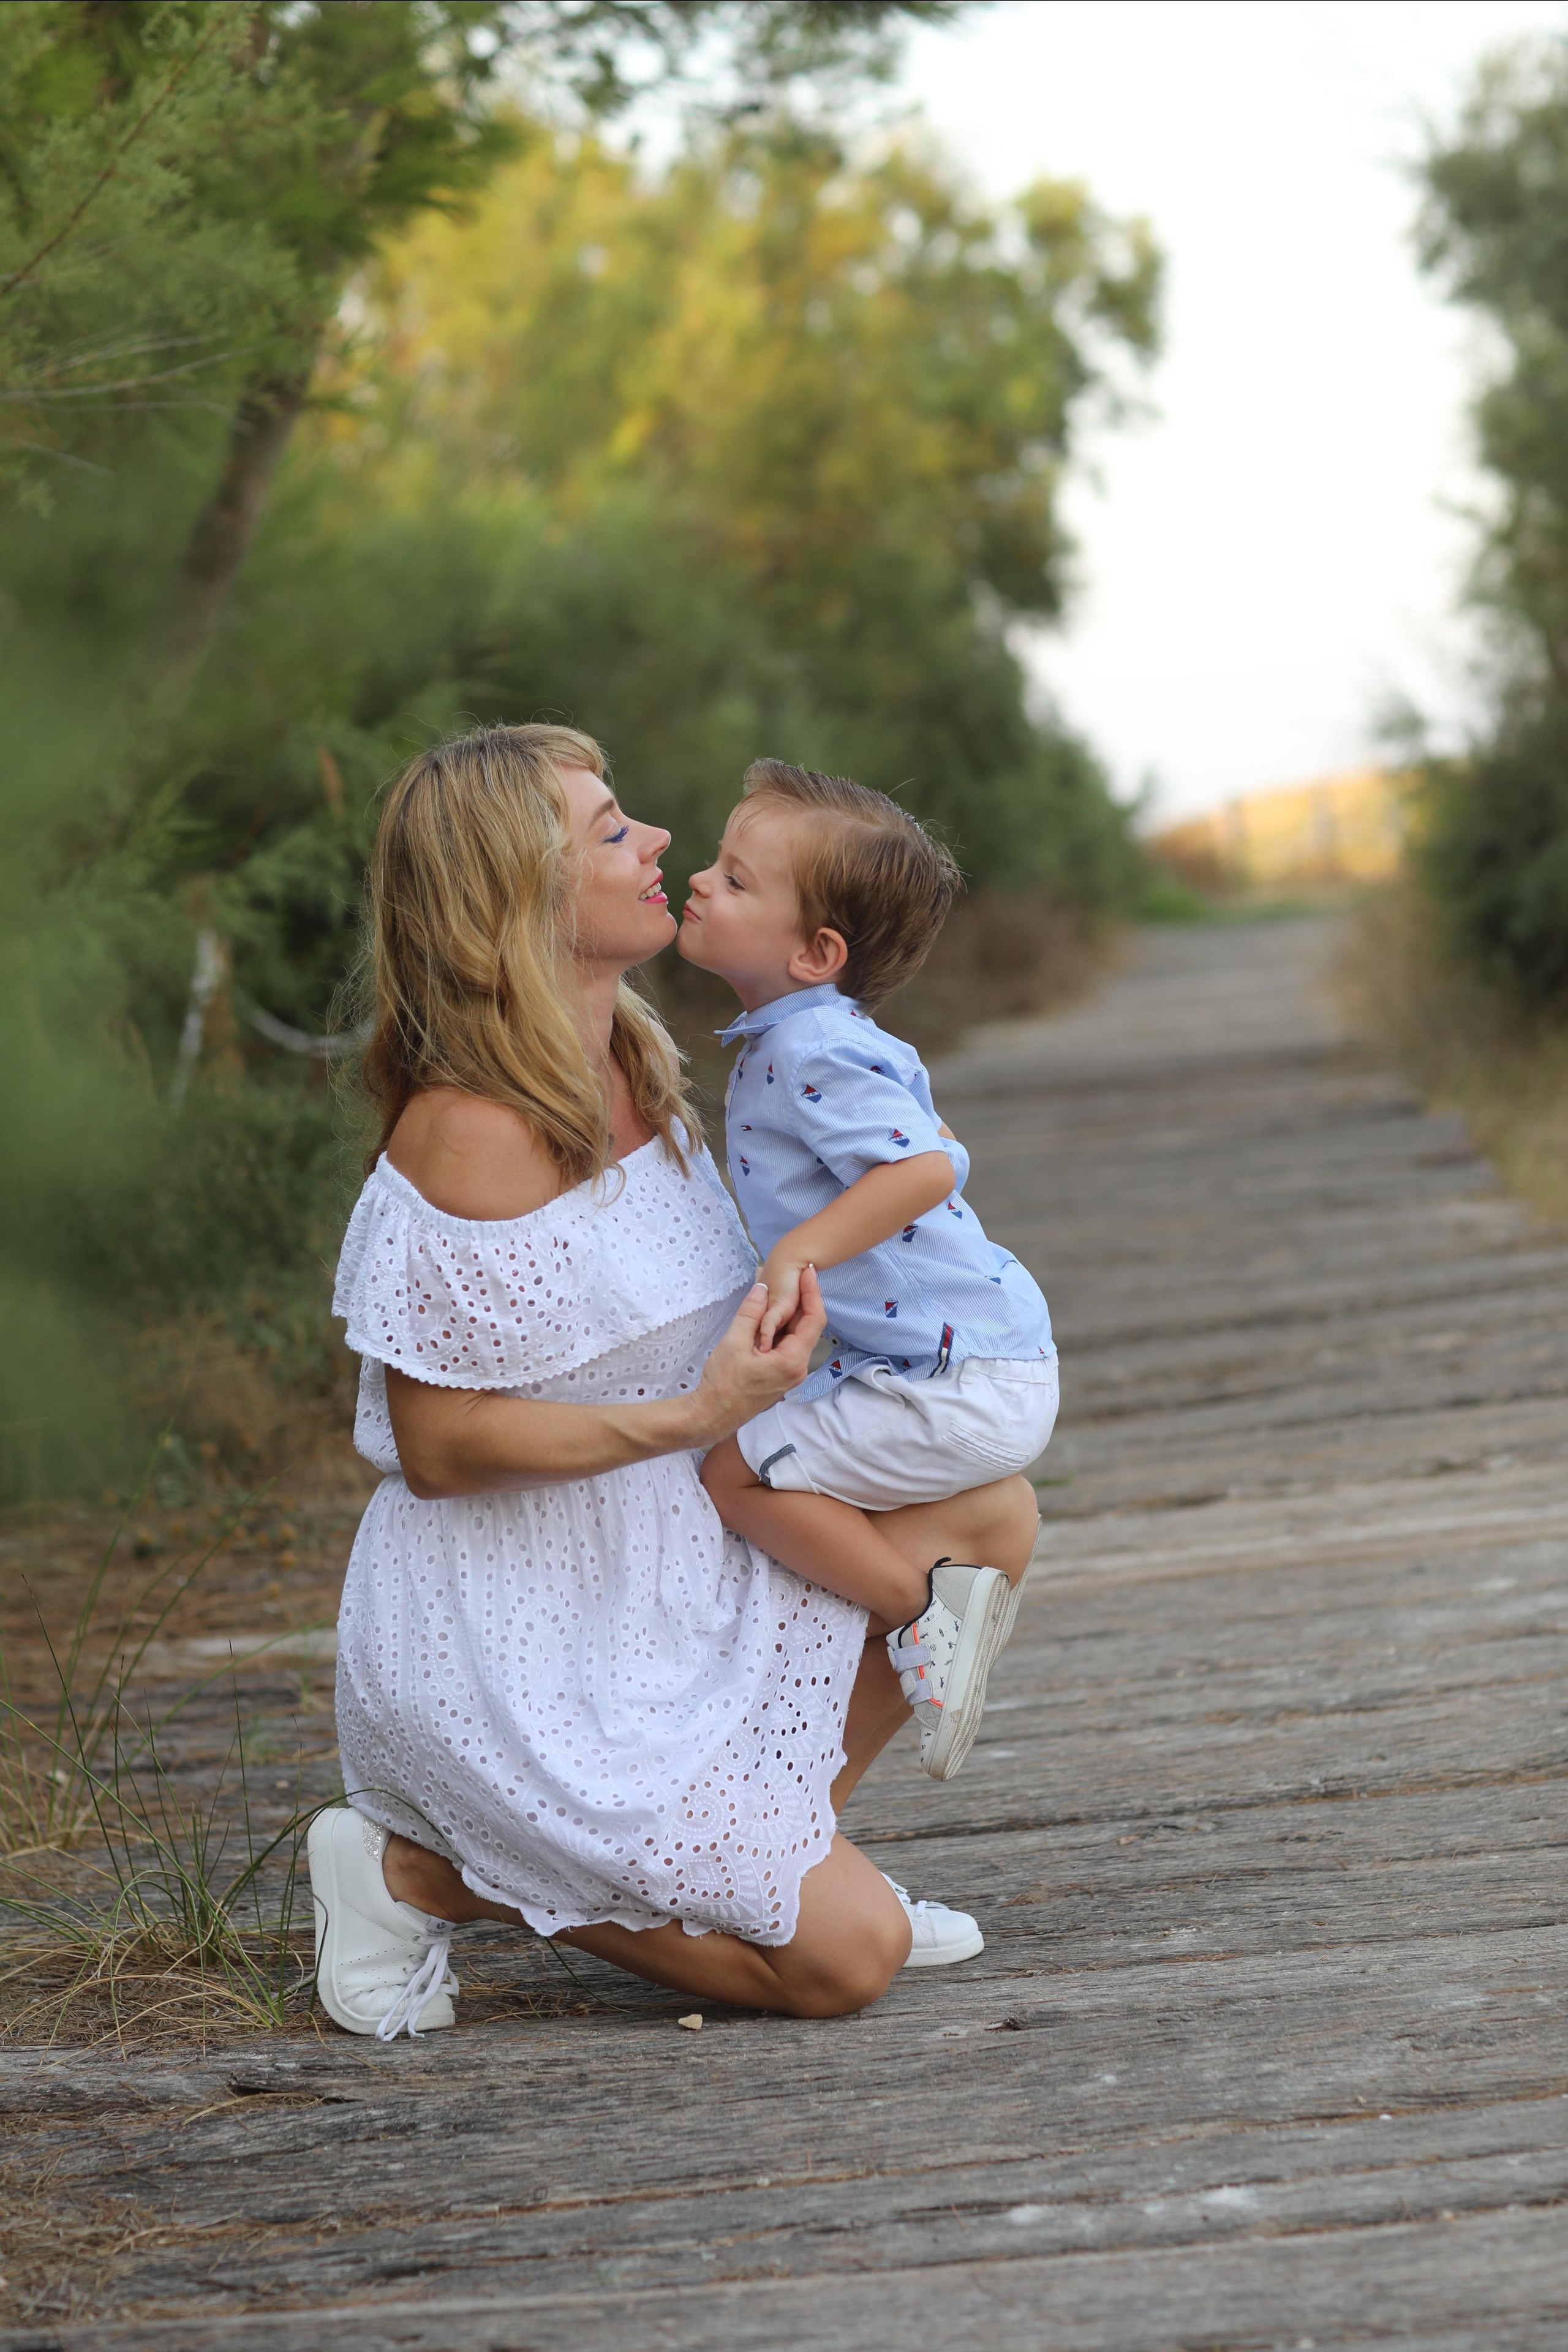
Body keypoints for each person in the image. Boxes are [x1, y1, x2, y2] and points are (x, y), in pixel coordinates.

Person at [307, 724, 1040, 2040]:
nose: (654, 843)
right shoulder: (469, 1124)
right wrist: (701, 1415)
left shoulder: (642, 1059)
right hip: (528, 1629)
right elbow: (436, 1448)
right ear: (514, 896)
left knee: (990, 1514)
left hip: (677, 1561)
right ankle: (409, 1870)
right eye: (608, 832)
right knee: (844, 1965)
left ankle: (782, 1858)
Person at [683, 761, 1058, 1784]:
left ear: (817, 952)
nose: (704, 883)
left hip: (958, 1383)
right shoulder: (814, 1036)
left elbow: (931, 1161)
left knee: (736, 1473)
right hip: (969, 1364)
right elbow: (926, 1131)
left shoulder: (811, 1045)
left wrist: (803, 1250)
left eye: (737, 878)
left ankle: (921, 1612)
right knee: (767, 1474)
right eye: (715, 865)